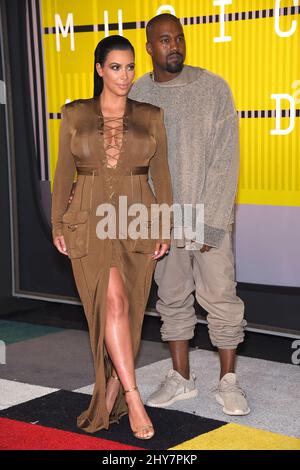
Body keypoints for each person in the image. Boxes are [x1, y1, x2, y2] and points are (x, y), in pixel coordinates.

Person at [51, 35, 172, 438]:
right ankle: (134, 399)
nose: (125, 75)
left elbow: (163, 176)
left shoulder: (151, 115)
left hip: (137, 215)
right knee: (112, 304)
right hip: (88, 217)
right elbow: (62, 175)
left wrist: (166, 225)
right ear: (100, 69)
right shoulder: (74, 113)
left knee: (130, 309)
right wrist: (57, 223)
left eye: (131, 66)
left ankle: (114, 388)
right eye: (116, 67)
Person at [129, 13, 250, 416]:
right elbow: (136, 161)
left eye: (179, 38)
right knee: (172, 297)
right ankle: (181, 377)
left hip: (206, 211)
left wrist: (212, 220)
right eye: (164, 40)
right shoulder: (138, 92)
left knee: (221, 297)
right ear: (149, 48)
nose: (174, 46)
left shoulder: (213, 87)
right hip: (162, 217)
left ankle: (228, 381)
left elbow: (226, 158)